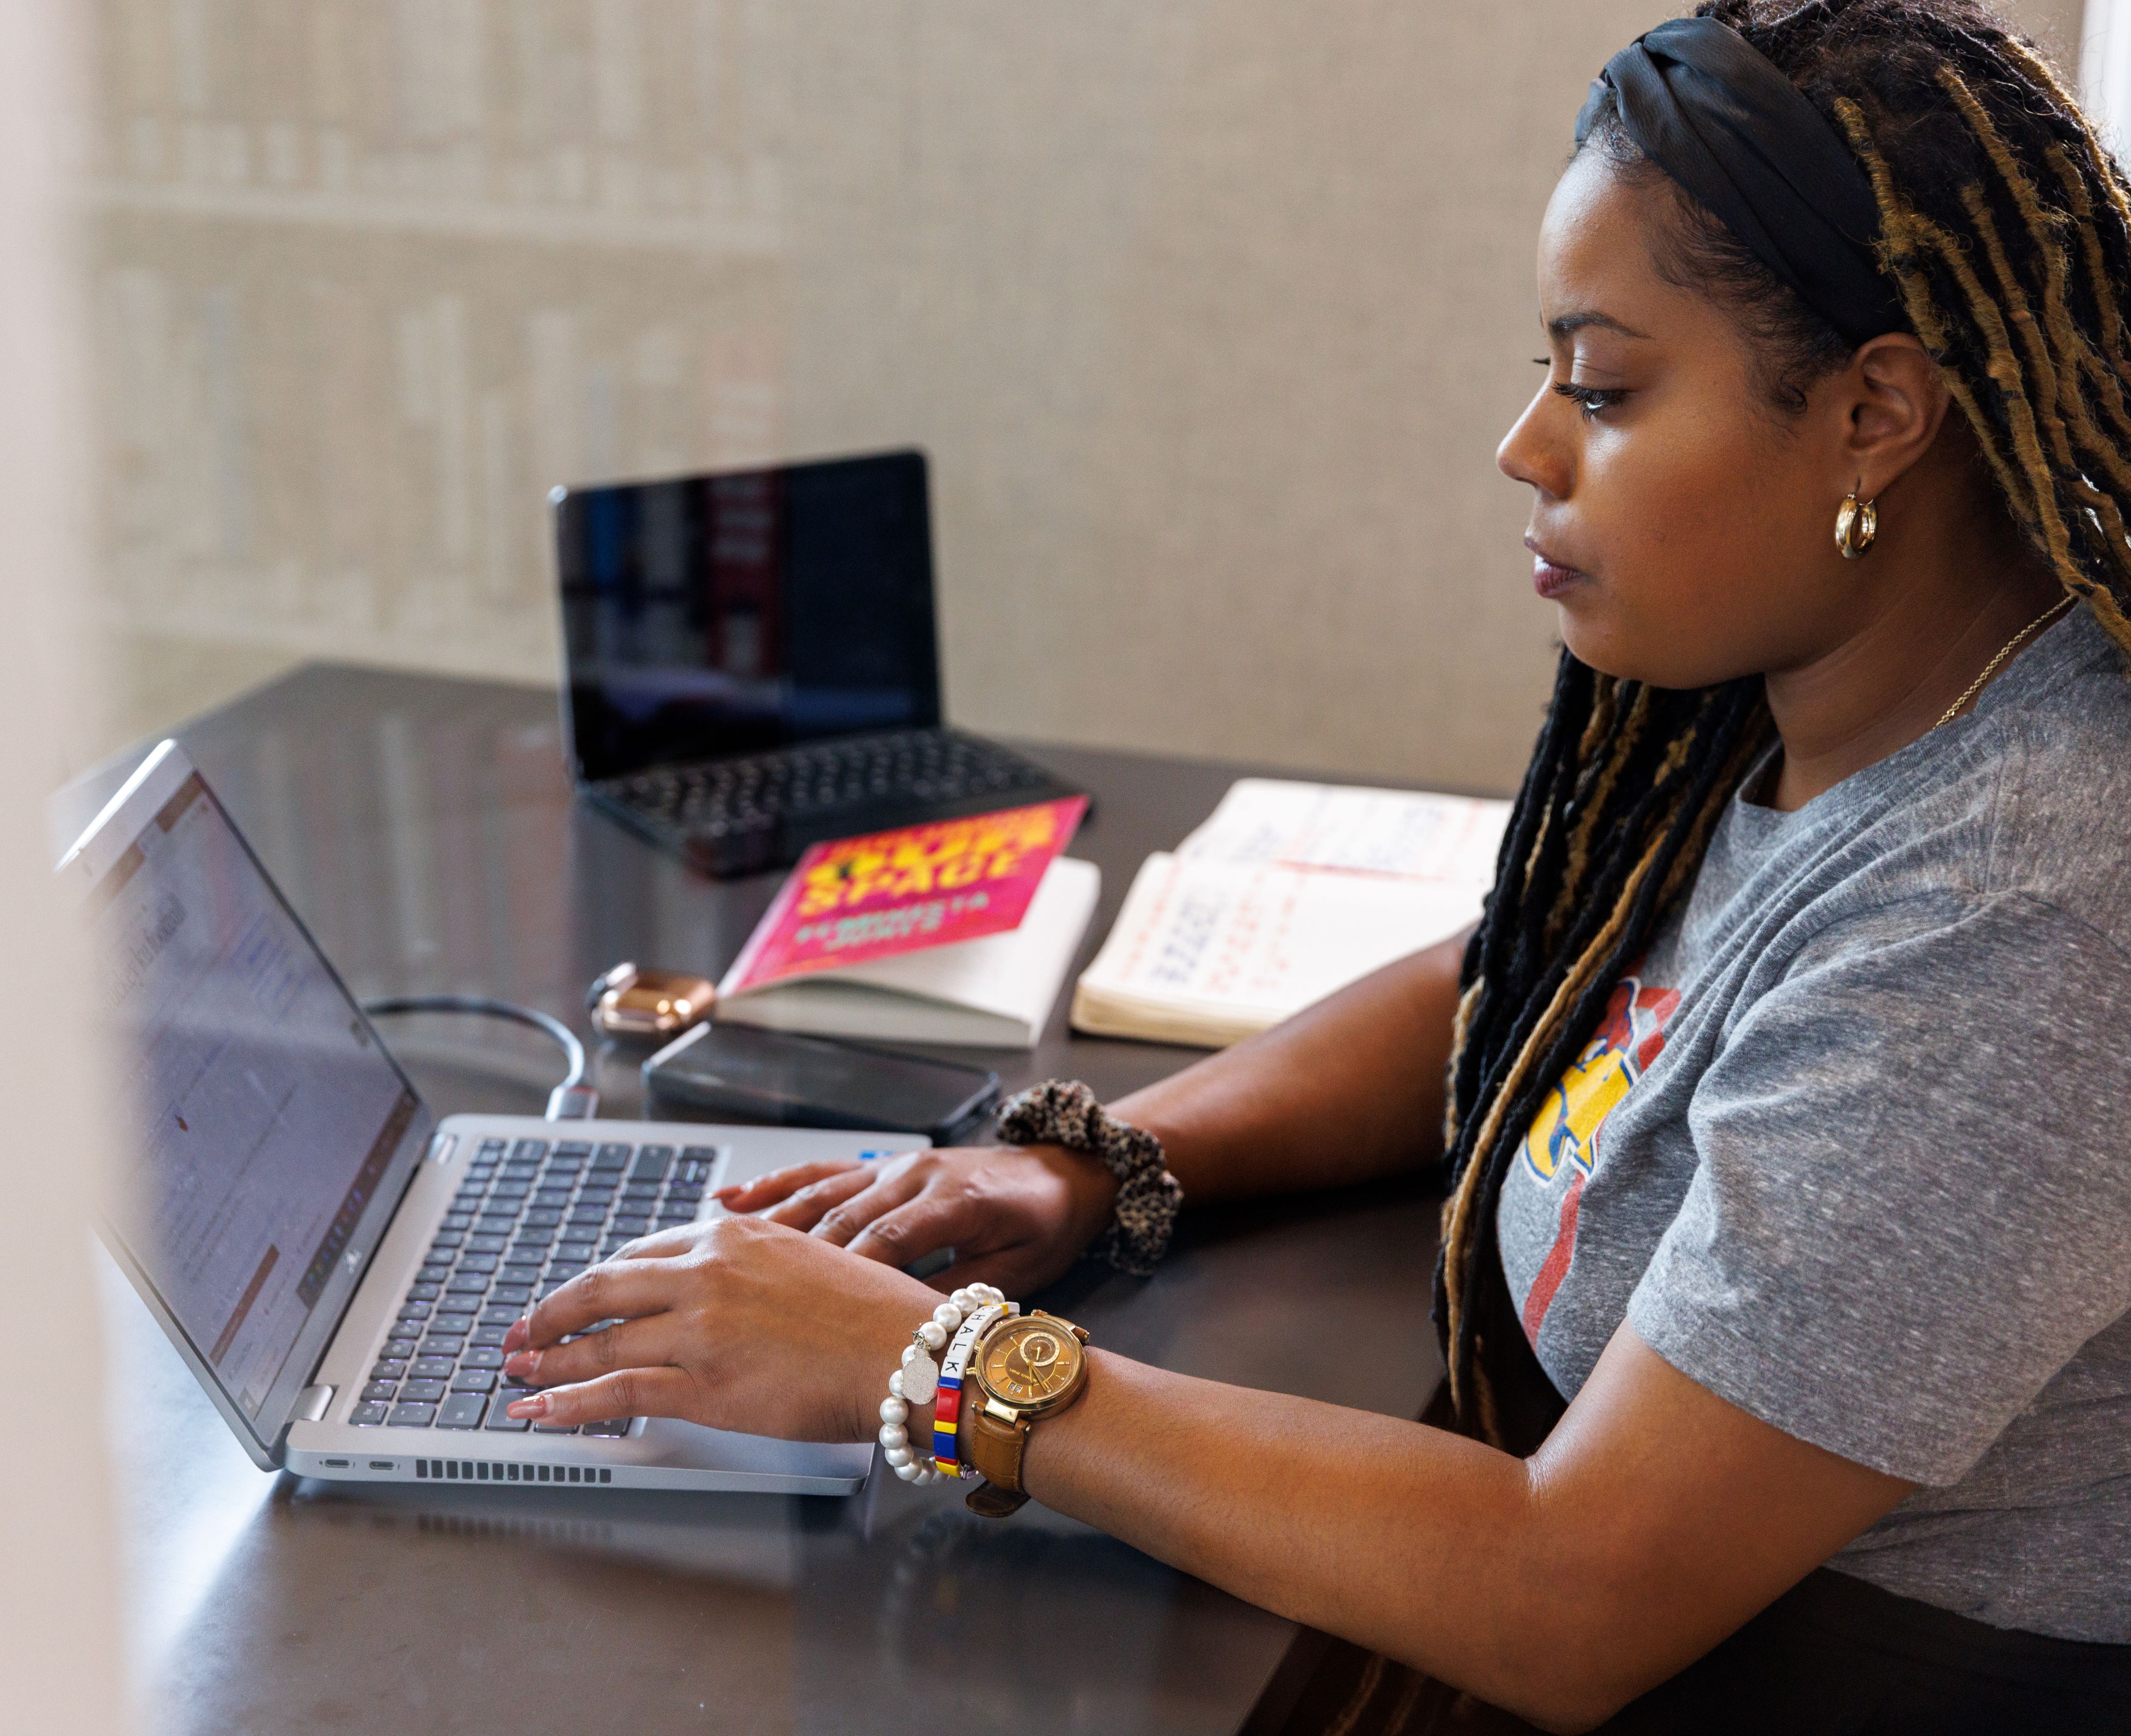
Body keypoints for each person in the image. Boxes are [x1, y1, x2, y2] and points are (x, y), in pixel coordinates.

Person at [499, 3, 2131, 1727]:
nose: (1530, 447)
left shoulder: (2019, 905)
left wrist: (927, 1363)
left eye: (1607, 387)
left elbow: (1569, 1592)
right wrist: (1100, 1164)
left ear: (1878, 412)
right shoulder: (1817, 674)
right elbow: (1530, 978)